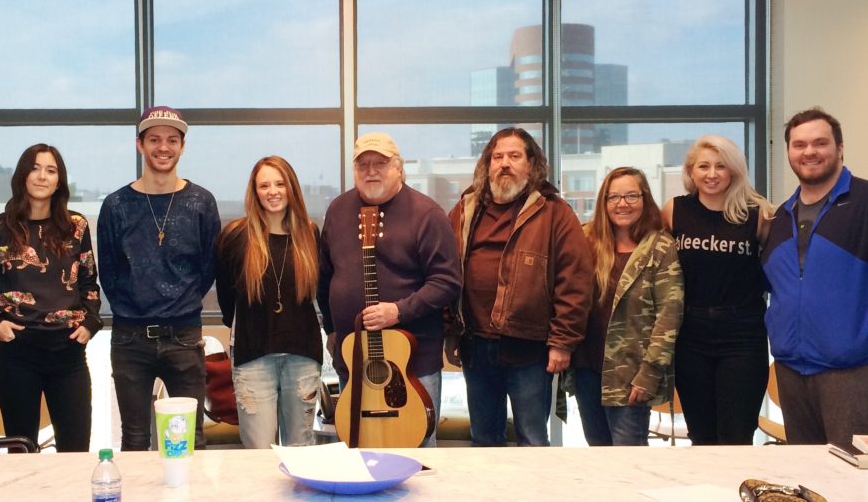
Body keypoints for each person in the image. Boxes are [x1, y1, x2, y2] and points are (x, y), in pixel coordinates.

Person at [446, 127, 593, 447]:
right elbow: (444, 268)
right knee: (483, 438)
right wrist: (449, 332)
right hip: (476, 344)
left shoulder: (554, 212)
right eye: (497, 157)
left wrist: (563, 342)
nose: (505, 164)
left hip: (530, 347)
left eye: (514, 156)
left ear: (531, 164)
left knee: (532, 440)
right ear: (488, 164)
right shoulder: (466, 208)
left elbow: (575, 282)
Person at [318, 132, 461, 447]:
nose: (371, 171)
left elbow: (447, 281)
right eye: (363, 164)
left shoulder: (426, 214)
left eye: (380, 163)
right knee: (361, 452)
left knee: (419, 453)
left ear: (399, 167)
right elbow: (325, 276)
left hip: (412, 364)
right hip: (354, 360)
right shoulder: (339, 210)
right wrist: (331, 329)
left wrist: (399, 310)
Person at [98, 106, 221, 450]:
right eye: (154, 139)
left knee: (187, 439)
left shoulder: (201, 202)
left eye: (171, 140)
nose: (163, 147)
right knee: (135, 439)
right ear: (139, 144)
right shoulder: (117, 204)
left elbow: (209, 266)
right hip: (129, 339)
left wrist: (180, 303)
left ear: (183, 146)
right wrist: (134, 305)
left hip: (184, 335)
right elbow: (108, 271)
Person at [0, 144, 102, 452]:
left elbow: (89, 282)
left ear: (60, 180)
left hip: (68, 355)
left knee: (75, 452)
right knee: (22, 450)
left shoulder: (76, 226)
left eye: (51, 170)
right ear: (21, 175)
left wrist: (91, 322)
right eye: (35, 168)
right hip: (17, 356)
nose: (42, 176)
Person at [762, 107, 868, 445]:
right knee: (808, 478)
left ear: (839, 148)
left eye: (819, 143)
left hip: (853, 370)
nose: (809, 152)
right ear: (788, 152)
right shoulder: (780, 218)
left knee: (855, 480)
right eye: (799, 145)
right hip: (791, 371)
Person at [659, 135, 773, 446]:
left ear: (734, 171)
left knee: (737, 435)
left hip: (742, 335)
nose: (712, 174)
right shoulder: (674, 210)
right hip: (691, 333)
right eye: (704, 166)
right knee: (701, 435)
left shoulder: (758, 214)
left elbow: (780, 270)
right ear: (690, 172)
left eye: (721, 166)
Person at [571, 167, 683, 446]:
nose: (622, 204)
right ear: (603, 202)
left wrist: (650, 373)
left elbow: (669, 316)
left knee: (627, 461)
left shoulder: (660, 246)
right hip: (587, 367)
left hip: (631, 373)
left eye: (631, 195)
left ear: (644, 199)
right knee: (597, 454)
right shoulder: (586, 240)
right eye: (614, 197)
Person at [216, 156, 322, 449]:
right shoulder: (236, 236)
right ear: (255, 191)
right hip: (253, 357)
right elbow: (226, 297)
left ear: (292, 189)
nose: (272, 191)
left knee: (301, 449)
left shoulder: (309, 234)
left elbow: (322, 290)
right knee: (258, 453)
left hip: (302, 356)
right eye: (264, 185)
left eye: (280, 183)